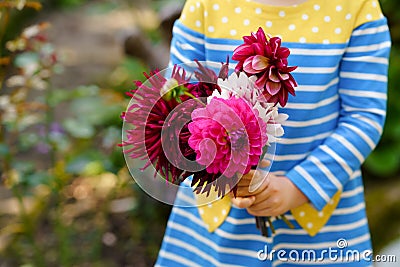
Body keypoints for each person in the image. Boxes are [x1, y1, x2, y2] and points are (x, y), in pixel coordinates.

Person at [155, 0, 391, 266]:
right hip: (216, 225)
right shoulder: (205, 5)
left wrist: (296, 188)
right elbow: (180, 104)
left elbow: (363, 118)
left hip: (319, 230)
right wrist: (220, 167)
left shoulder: (356, 8)